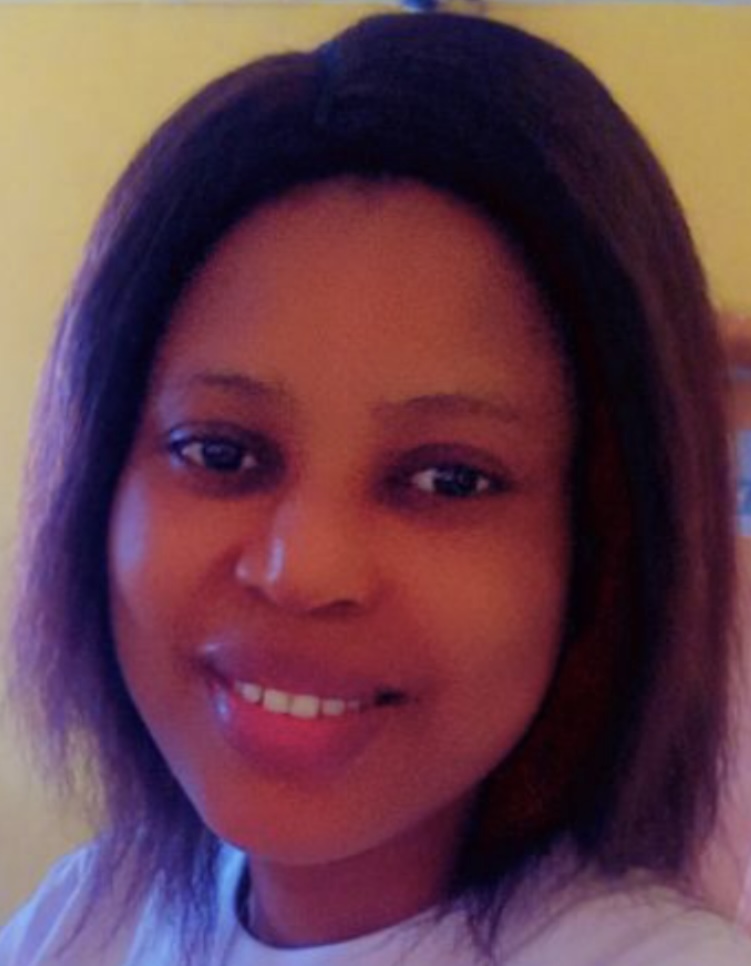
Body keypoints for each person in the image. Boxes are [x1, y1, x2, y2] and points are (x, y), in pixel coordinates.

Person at [1, 10, 749, 965]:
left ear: (599, 547)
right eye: (219, 453)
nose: (302, 570)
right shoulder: (89, 912)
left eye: (448, 478)